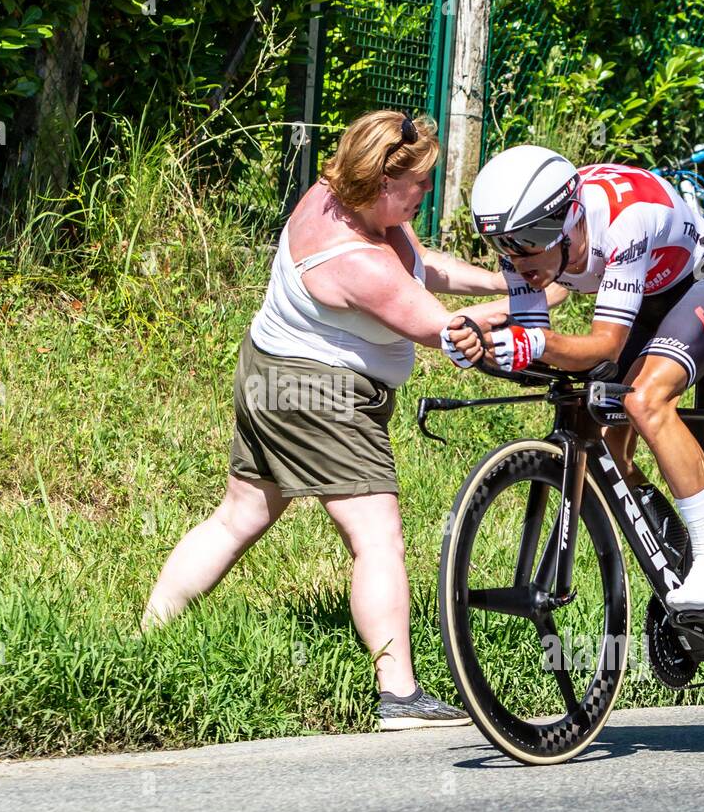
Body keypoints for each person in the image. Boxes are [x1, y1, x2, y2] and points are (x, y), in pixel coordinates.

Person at [143, 110, 508, 730]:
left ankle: (144, 642)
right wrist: (545, 295)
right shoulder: (353, 258)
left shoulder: (346, 195)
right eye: (418, 183)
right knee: (377, 537)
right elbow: (446, 329)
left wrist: (508, 279)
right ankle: (399, 695)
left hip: (268, 370)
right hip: (319, 395)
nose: (427, 192)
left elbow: (427, 270)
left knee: (240, 515)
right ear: (383, 178)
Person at [444, 145, 704, 611]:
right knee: (606, 440)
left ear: (569, 219)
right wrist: (482, 345)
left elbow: (604, 345)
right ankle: (677, 551)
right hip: (645, 300)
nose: (516, 257)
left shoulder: (624, 221)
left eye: (529, 239)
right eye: (502, 243)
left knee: (646, 400)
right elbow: (536, 338)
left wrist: (533, 344)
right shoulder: (524, 246)